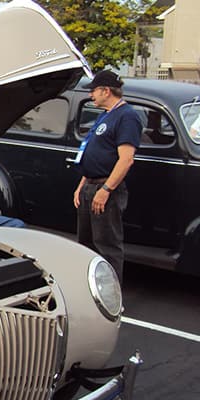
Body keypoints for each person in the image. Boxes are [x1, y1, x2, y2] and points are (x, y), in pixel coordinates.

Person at [72, 70, 142, 284]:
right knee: (86, 244)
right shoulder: (105, 115)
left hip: (105, 189)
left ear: (106, 91)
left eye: (94, 91)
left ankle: (111, 295)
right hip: (90, 186)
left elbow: (126, 159)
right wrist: (82, 184)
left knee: (107, 246)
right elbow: (91, 150)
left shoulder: (127, 116)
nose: (91, 95)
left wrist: (106, 190)